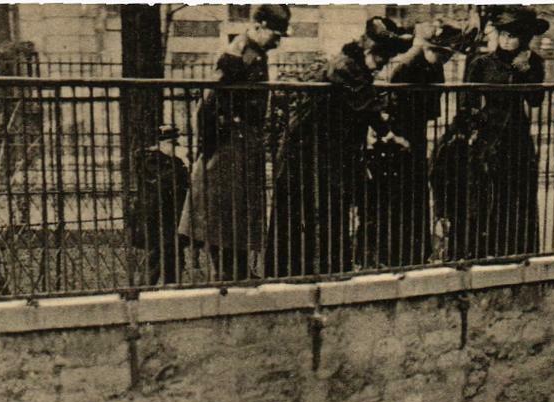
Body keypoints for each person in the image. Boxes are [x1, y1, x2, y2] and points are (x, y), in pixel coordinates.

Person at [265, 17, 411, 278]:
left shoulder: (356, 67)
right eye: (380, 59)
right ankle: (286, 274)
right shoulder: (345, 66)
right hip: (305, 151)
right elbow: (365, 104)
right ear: (368, 50)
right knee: (297, 213)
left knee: (329, 212)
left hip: (327, 152)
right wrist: (388, 134)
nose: (381, 65)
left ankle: (329, 272)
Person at [177, 4, 288, 282]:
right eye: (275, 34)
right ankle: (227, 274)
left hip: (243, 143)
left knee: (237, 214)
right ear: (259, 25)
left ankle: (237, 271)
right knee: (223, 215)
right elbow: (210, 102)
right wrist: (211, 144)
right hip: (229, 146)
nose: (278, 41)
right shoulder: (239, 53)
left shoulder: (255, 52)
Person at [438, 6, 547, 259]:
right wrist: (471, 129)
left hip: (516, 137)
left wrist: (525, 72)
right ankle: (482, 250)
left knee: (517, 195)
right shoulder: (482, 63)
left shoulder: (533, 63)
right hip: (487, 136)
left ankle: (515, 251)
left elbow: (536, 100)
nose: (506, 40)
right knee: (485, 196)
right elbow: (467, 102)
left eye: (513, 35)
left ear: (524, 38)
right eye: (503, 34)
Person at [356, 21, 463, 268]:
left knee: (414, 194)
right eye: (442, 53)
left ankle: (413, 254)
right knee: (394, 198)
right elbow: (390, 104)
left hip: (416, 134)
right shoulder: (407, 65)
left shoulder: (434, 67)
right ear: (431, 48)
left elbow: (431, 105)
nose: (445, 59)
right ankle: (388, 256)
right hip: (398, 137)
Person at [129, 124, 189, 286]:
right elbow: (165, 182)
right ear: (160, 143)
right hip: (156, 217)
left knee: (174, 257)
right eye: (172, 143)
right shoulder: (150, 160)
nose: (175, 147)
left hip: (172, 216)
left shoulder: (173, 161)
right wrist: (181, 164)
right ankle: (143, 290)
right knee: (156, 257)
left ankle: (172, 290)